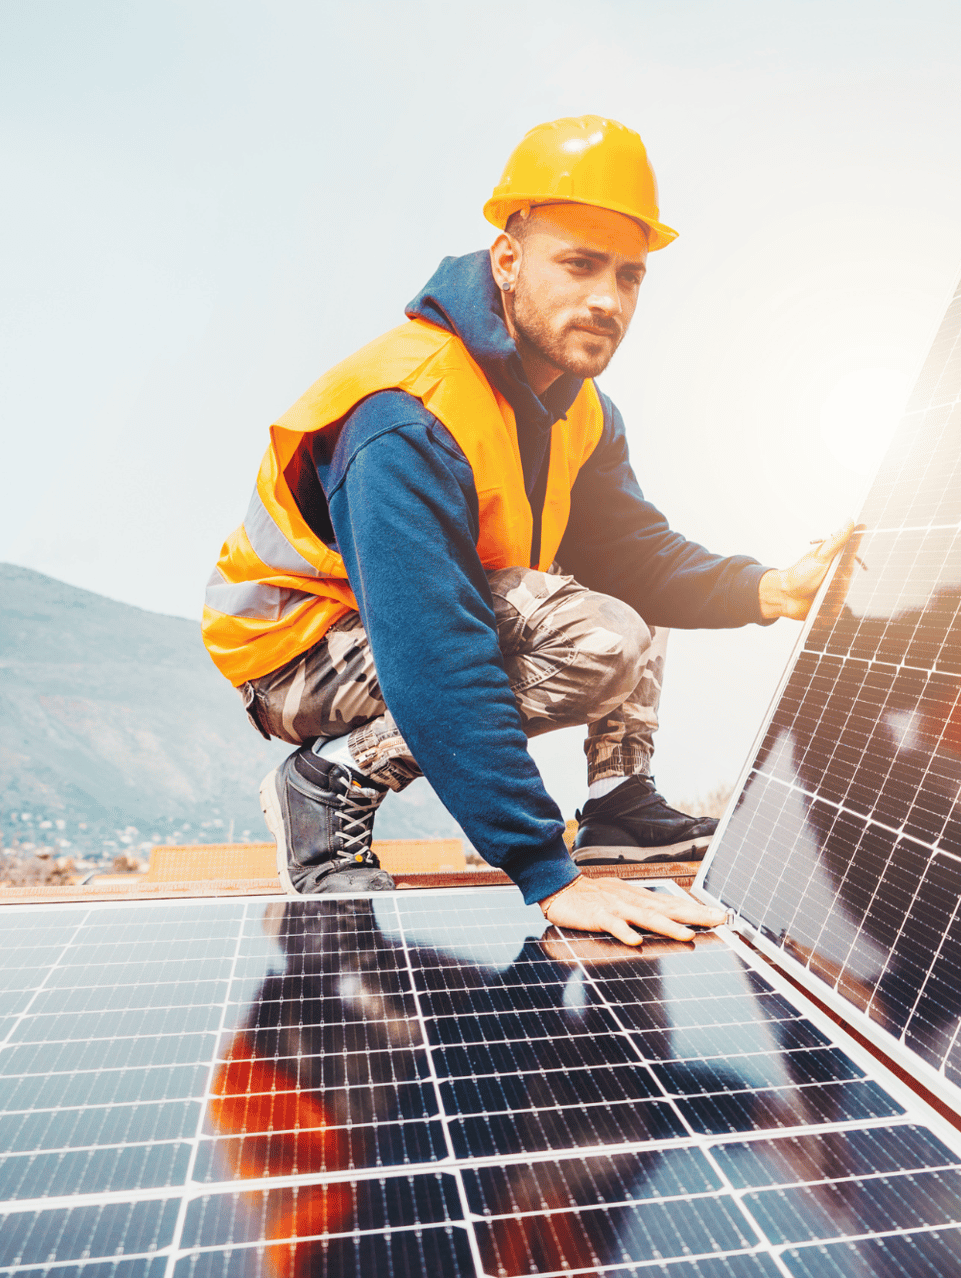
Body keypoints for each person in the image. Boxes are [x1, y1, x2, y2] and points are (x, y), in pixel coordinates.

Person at [202, 115, 850, 944]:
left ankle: (619, 803)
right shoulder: (406, 416)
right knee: (599, 633)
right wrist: (546, 872)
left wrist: (769, 588)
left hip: (425, 621)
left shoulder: (579, 410)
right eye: (578, 265)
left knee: (616, 597)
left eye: (629, 275)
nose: (607, 300)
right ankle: (329, 779)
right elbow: (435, 652)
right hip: (298, 652)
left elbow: (632, 555)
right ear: (507, 260)